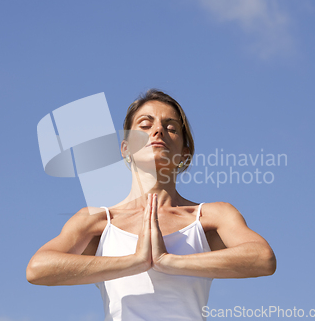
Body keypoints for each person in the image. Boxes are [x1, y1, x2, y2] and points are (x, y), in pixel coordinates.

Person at [26, 89, 276, 320]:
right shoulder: (98, 220)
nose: (158, 131)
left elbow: (263, 258)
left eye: (171, 128)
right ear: (125, 149)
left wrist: (168, 261)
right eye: (145, 125)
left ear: (185, 153)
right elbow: (38, 268)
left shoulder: (211, 216)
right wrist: (135, 261)